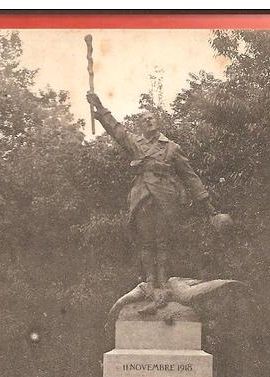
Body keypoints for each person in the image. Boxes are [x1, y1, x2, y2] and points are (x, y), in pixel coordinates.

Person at [86, 92, 229, 300]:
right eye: (143, 119)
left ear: (157, 121)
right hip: (143, 197)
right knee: (146, 242)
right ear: (140, 126)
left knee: (163, 241)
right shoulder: (135, 143)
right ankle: (150, 281)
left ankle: (163, 280)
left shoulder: (172, 147)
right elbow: (117, 130)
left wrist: (207, 205)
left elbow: (190, 176)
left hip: (166, 198)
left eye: (151, 117)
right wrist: (99, 107)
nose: (148, 120)